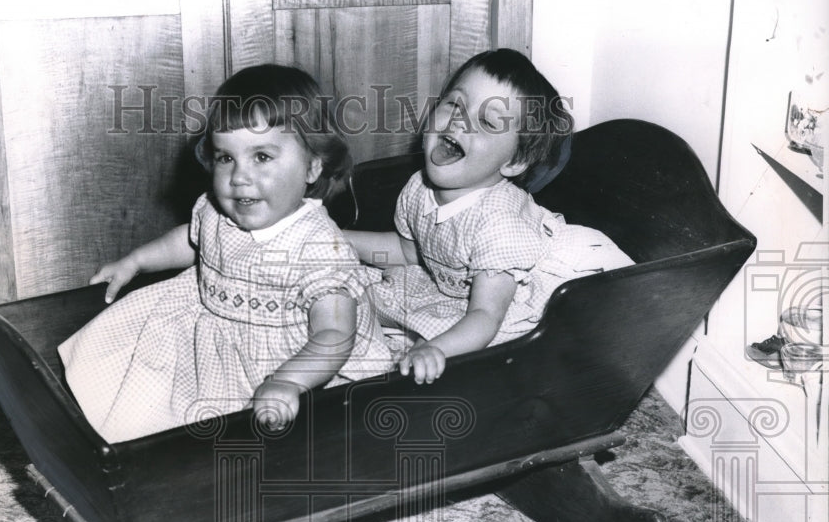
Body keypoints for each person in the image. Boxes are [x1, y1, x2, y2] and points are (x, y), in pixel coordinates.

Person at [59, 64, 393, 442]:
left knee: (278, 442)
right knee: (139, 382)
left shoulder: (319, 246)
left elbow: (334, 333)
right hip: (214, 338)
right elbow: (189, 240)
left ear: (312, 167)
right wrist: (135, 262)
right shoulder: (214, 211)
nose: (239, 176)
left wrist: (287, 381)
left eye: (262, 157)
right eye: (225, 158)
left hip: (295, 360)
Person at [346, 49, 633, 385]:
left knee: (439, 354)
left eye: (486, 121)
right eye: (454, 104)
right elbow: (409, 252)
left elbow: (485, 315)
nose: (459, 120)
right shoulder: (418, 187)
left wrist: (435, 349)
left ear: (512, 163)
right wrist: (339, 237)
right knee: (354, 292)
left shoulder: (499, 223)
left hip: (506, 301)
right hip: (455, 285)